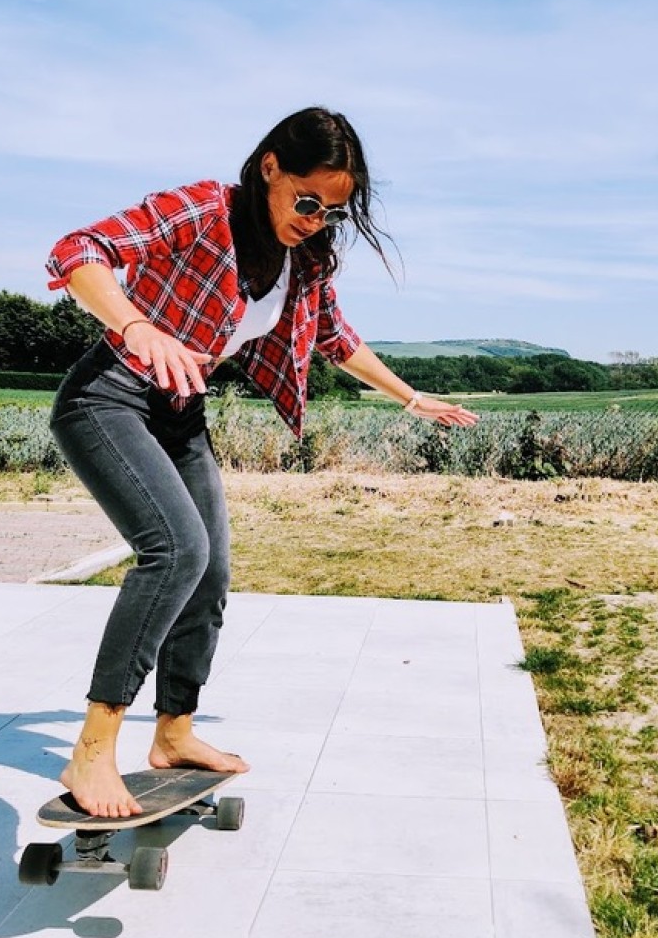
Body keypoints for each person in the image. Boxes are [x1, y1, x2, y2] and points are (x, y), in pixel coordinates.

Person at [46, 106, 478, 817]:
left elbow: (338, 339)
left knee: (210, 571)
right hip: (108, 399)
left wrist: (410, 397)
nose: (314, 220)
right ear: (270, 167)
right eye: (307, 201)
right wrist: (135, 323)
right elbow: (79, 250)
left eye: (331, 212)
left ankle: (175, 733)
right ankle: (92, 752)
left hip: (179, 415)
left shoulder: (300, 261)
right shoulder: (201, 209)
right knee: (174, 552)